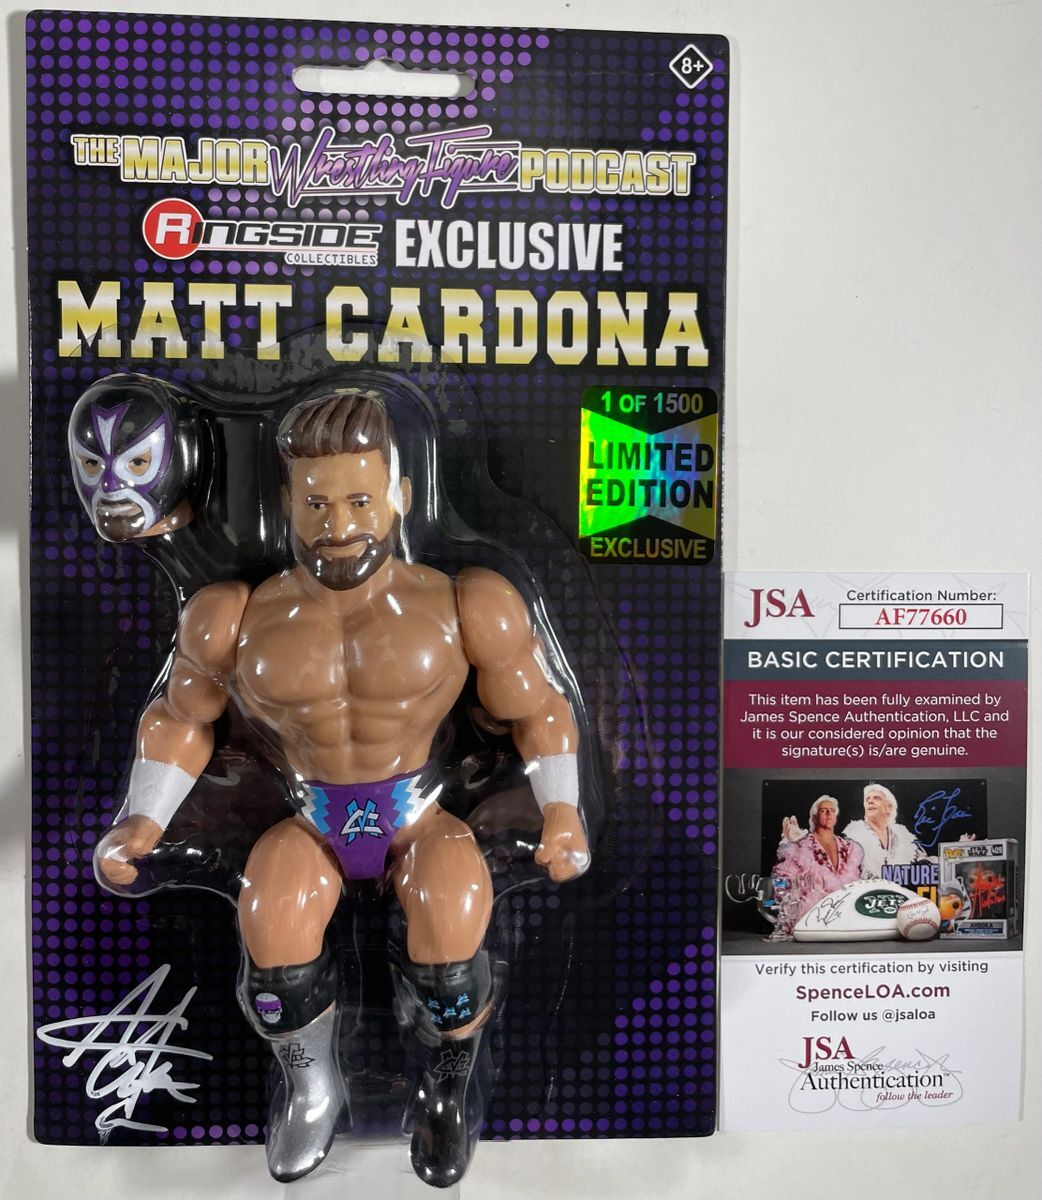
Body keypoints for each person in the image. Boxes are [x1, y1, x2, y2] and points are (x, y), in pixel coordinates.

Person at [94, 387, 590, 1187]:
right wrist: (141, 824)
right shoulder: (232, 616)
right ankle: (310, 1087)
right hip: (312, 816)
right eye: (317, 502)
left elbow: (540, 710)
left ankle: (447, 1086)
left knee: (454, 915)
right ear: (288, 502)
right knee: (271, 920)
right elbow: (180, 719)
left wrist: (563, 813)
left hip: (419, 817)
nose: (338, 522)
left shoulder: (468, 604)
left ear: (401, 496)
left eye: (360, 500)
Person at [772, 795, 862, 938]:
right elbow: (783, 882)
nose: (829, 814)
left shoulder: (849, 847)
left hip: (843, 919)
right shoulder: (801, 845)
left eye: (832, 810)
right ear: (814, 817)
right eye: (823, 811)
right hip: (810, 919)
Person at [842, 783, 926, 878]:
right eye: (867, 799)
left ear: (889, 807)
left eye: (876, 798)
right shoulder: (852, 838)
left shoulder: (904, 837)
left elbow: (924, 863)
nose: (870, 801)